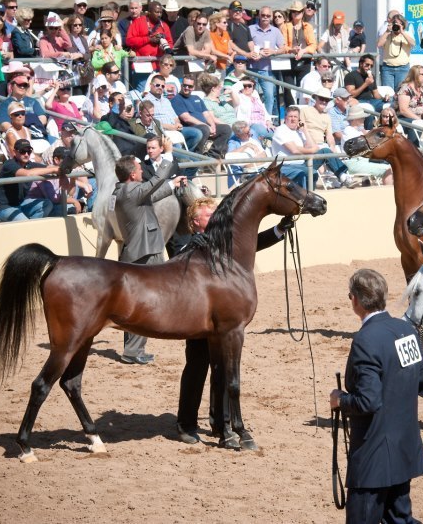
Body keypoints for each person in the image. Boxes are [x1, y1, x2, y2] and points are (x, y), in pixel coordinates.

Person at [170, 198, 292, 444]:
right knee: (196, 369)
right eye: (209, 214)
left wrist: (280, 229)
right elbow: (173, 263)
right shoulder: (186, 241)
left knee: (222, 370)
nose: (216, 216)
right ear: (196, 222)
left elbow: (254, 244)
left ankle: (219, 422)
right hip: (197, 318)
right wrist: (193, 247)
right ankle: (185, 423)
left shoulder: (224, 239)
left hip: (222, 318)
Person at [330, 268, 423, 524]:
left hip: (373, 459)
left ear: (355, 300)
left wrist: (340, 400)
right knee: (400, 519)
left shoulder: (365, 340)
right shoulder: (406, 331)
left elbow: (368, 401)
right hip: (404, 451)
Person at [112, 155, 187, 365]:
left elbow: (152, 195)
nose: (142, 171)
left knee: (136, 302)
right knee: (144, 302)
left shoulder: (124, 191)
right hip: (145, 252)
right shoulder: (130, 191)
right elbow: (154, 183)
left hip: (139, 250)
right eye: (139, 169)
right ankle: (133, 350)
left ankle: (132, 348)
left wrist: (173, 184)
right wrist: (169, 156)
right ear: (132, 174)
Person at [0, 139, 57, 222]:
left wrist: (61, 169)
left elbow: (48, 168)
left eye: (29, 151)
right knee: (23, 222)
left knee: (47, 204)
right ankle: (30, 229)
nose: (26, 154)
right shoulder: (9, 164)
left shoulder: (29, 165)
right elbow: (27, 174)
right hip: (2, 208)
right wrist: (53, 170)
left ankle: (32, 227)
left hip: (19, 204)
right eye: (22, 151)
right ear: (15, 152)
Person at [377, 10, 414, 90]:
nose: (396, 26)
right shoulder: (387, 34)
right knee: (388, 93)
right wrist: (387, 31)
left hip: (403, 68)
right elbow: (379, 44)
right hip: (387, 68)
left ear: (403, 25)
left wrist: (402, 32)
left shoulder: (407, 33)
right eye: (395, 23)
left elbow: (413, 44)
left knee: (400, 92)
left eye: (399, 24)